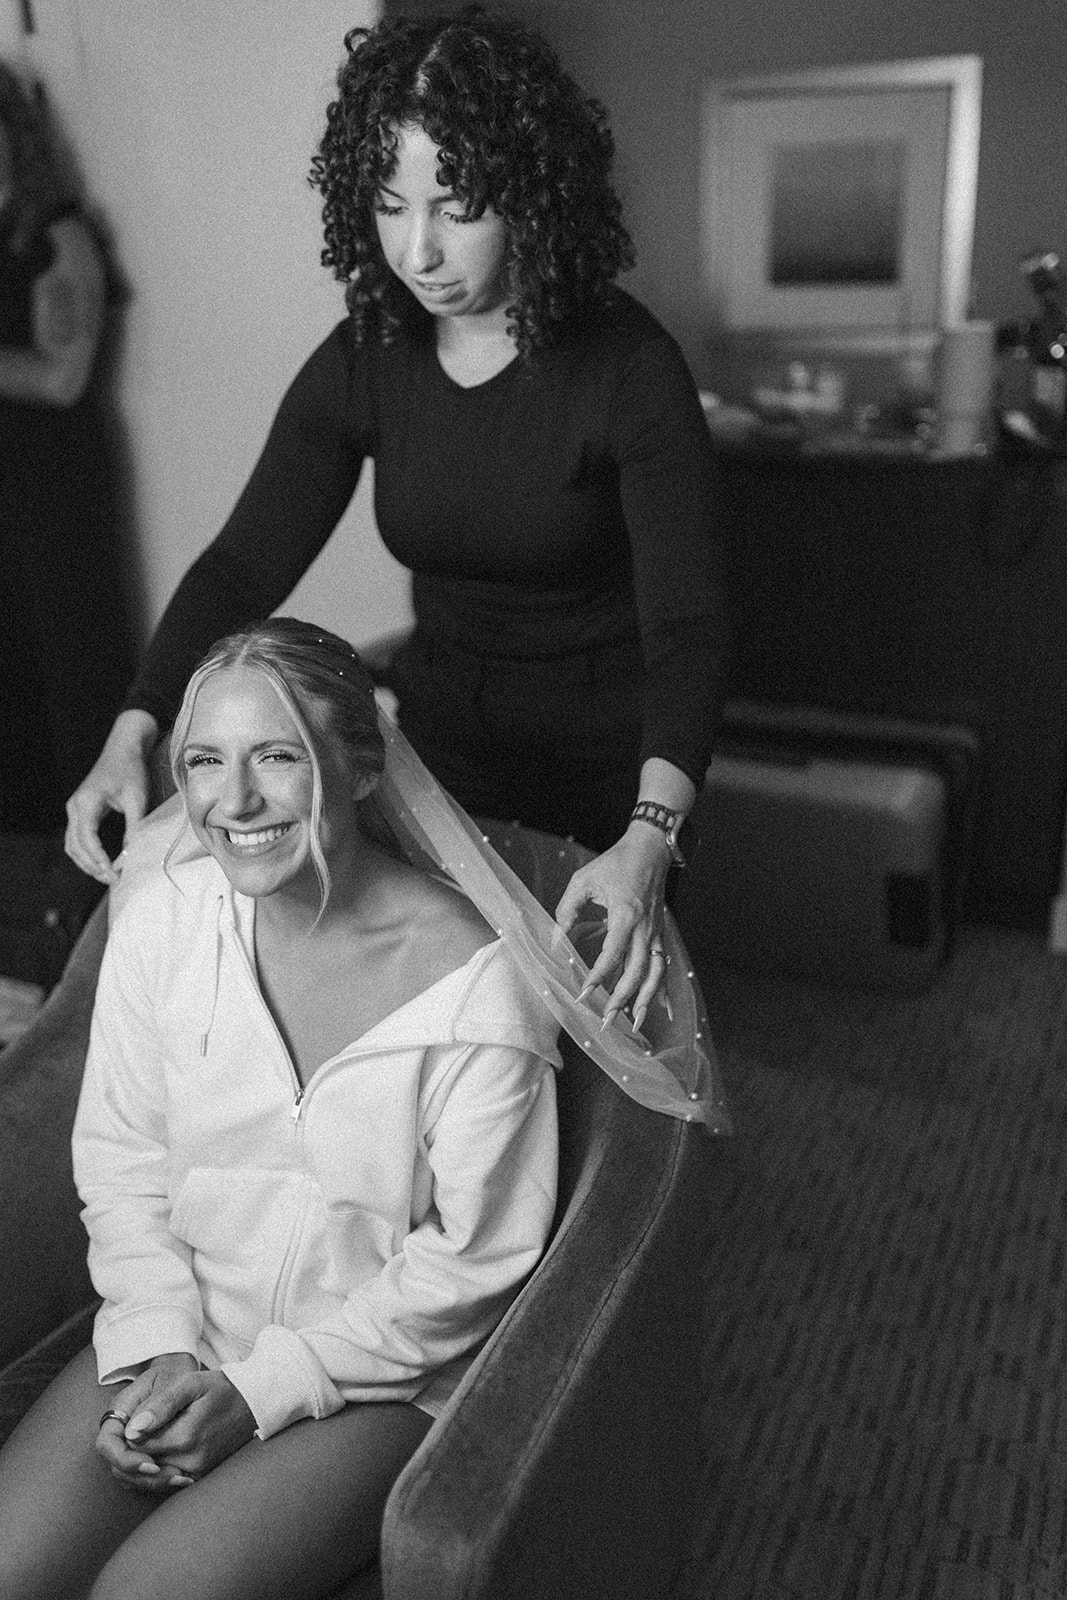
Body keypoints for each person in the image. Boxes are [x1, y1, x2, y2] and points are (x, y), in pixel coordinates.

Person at [64, 4, 730, 1034]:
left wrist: (649, 839)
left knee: (588, 1044)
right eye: (387, 204)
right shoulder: (370, 352)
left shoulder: (627, 370)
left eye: (455, 206)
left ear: (533, 196)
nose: (416, 250)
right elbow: (243, 563)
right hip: (444, 754)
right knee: (452, 1032)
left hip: (611, 775)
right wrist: (136, 720)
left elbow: (688, 629)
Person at [0, 618, 562, 1600]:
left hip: (377, 1370)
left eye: (277, 756)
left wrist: (259, 1391)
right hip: (185, 1318)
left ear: (356, 765)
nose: (234, 800)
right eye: (205, 760)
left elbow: (469, 1261)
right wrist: (155, 1346)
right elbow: (123, 1155)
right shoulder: (163, 914)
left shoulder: (477, 994)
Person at [0, 61, 130, 829]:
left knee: (70, 656)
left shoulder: (57, 235)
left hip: (49, 481)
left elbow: (64, 377)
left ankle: (97, 850)